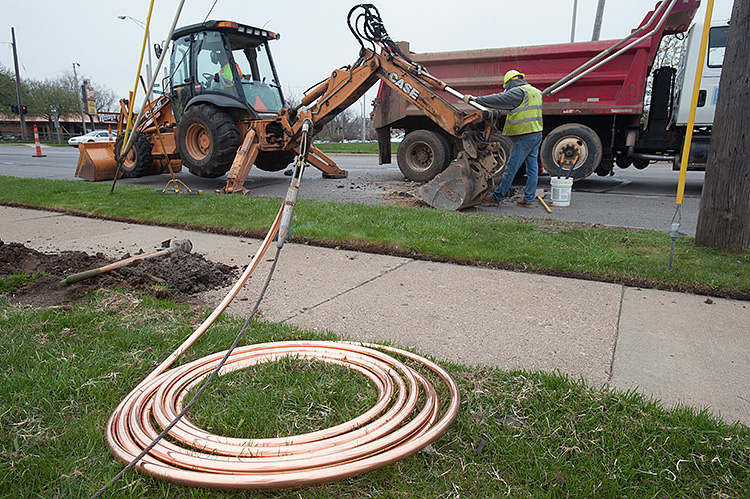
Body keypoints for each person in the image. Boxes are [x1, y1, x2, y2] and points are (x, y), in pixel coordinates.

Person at [463, 69, 543, 208]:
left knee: (511, 167)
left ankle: (497, 196)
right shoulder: (535, 91)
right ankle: (529, 199)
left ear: (510, 82)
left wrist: (475, 99)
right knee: (532, 169)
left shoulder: (519, 92)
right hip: (536, 134)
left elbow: (499, 99)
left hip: (523, 137)